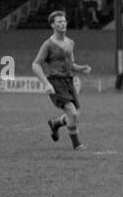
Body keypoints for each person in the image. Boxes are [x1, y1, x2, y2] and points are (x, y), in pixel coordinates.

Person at [32, 10, 91, 150]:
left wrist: (81, 68)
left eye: (64, 21)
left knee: (75, 115)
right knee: (72, 112)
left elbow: (71, 64)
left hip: (68, 81)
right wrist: (46, 84)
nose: (63, 23)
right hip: (55, 82)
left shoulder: (71, 42)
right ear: (53, 25)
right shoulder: (48, 44)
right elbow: (35, 64)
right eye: (59, 21)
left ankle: (56, 123)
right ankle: (77, 145)